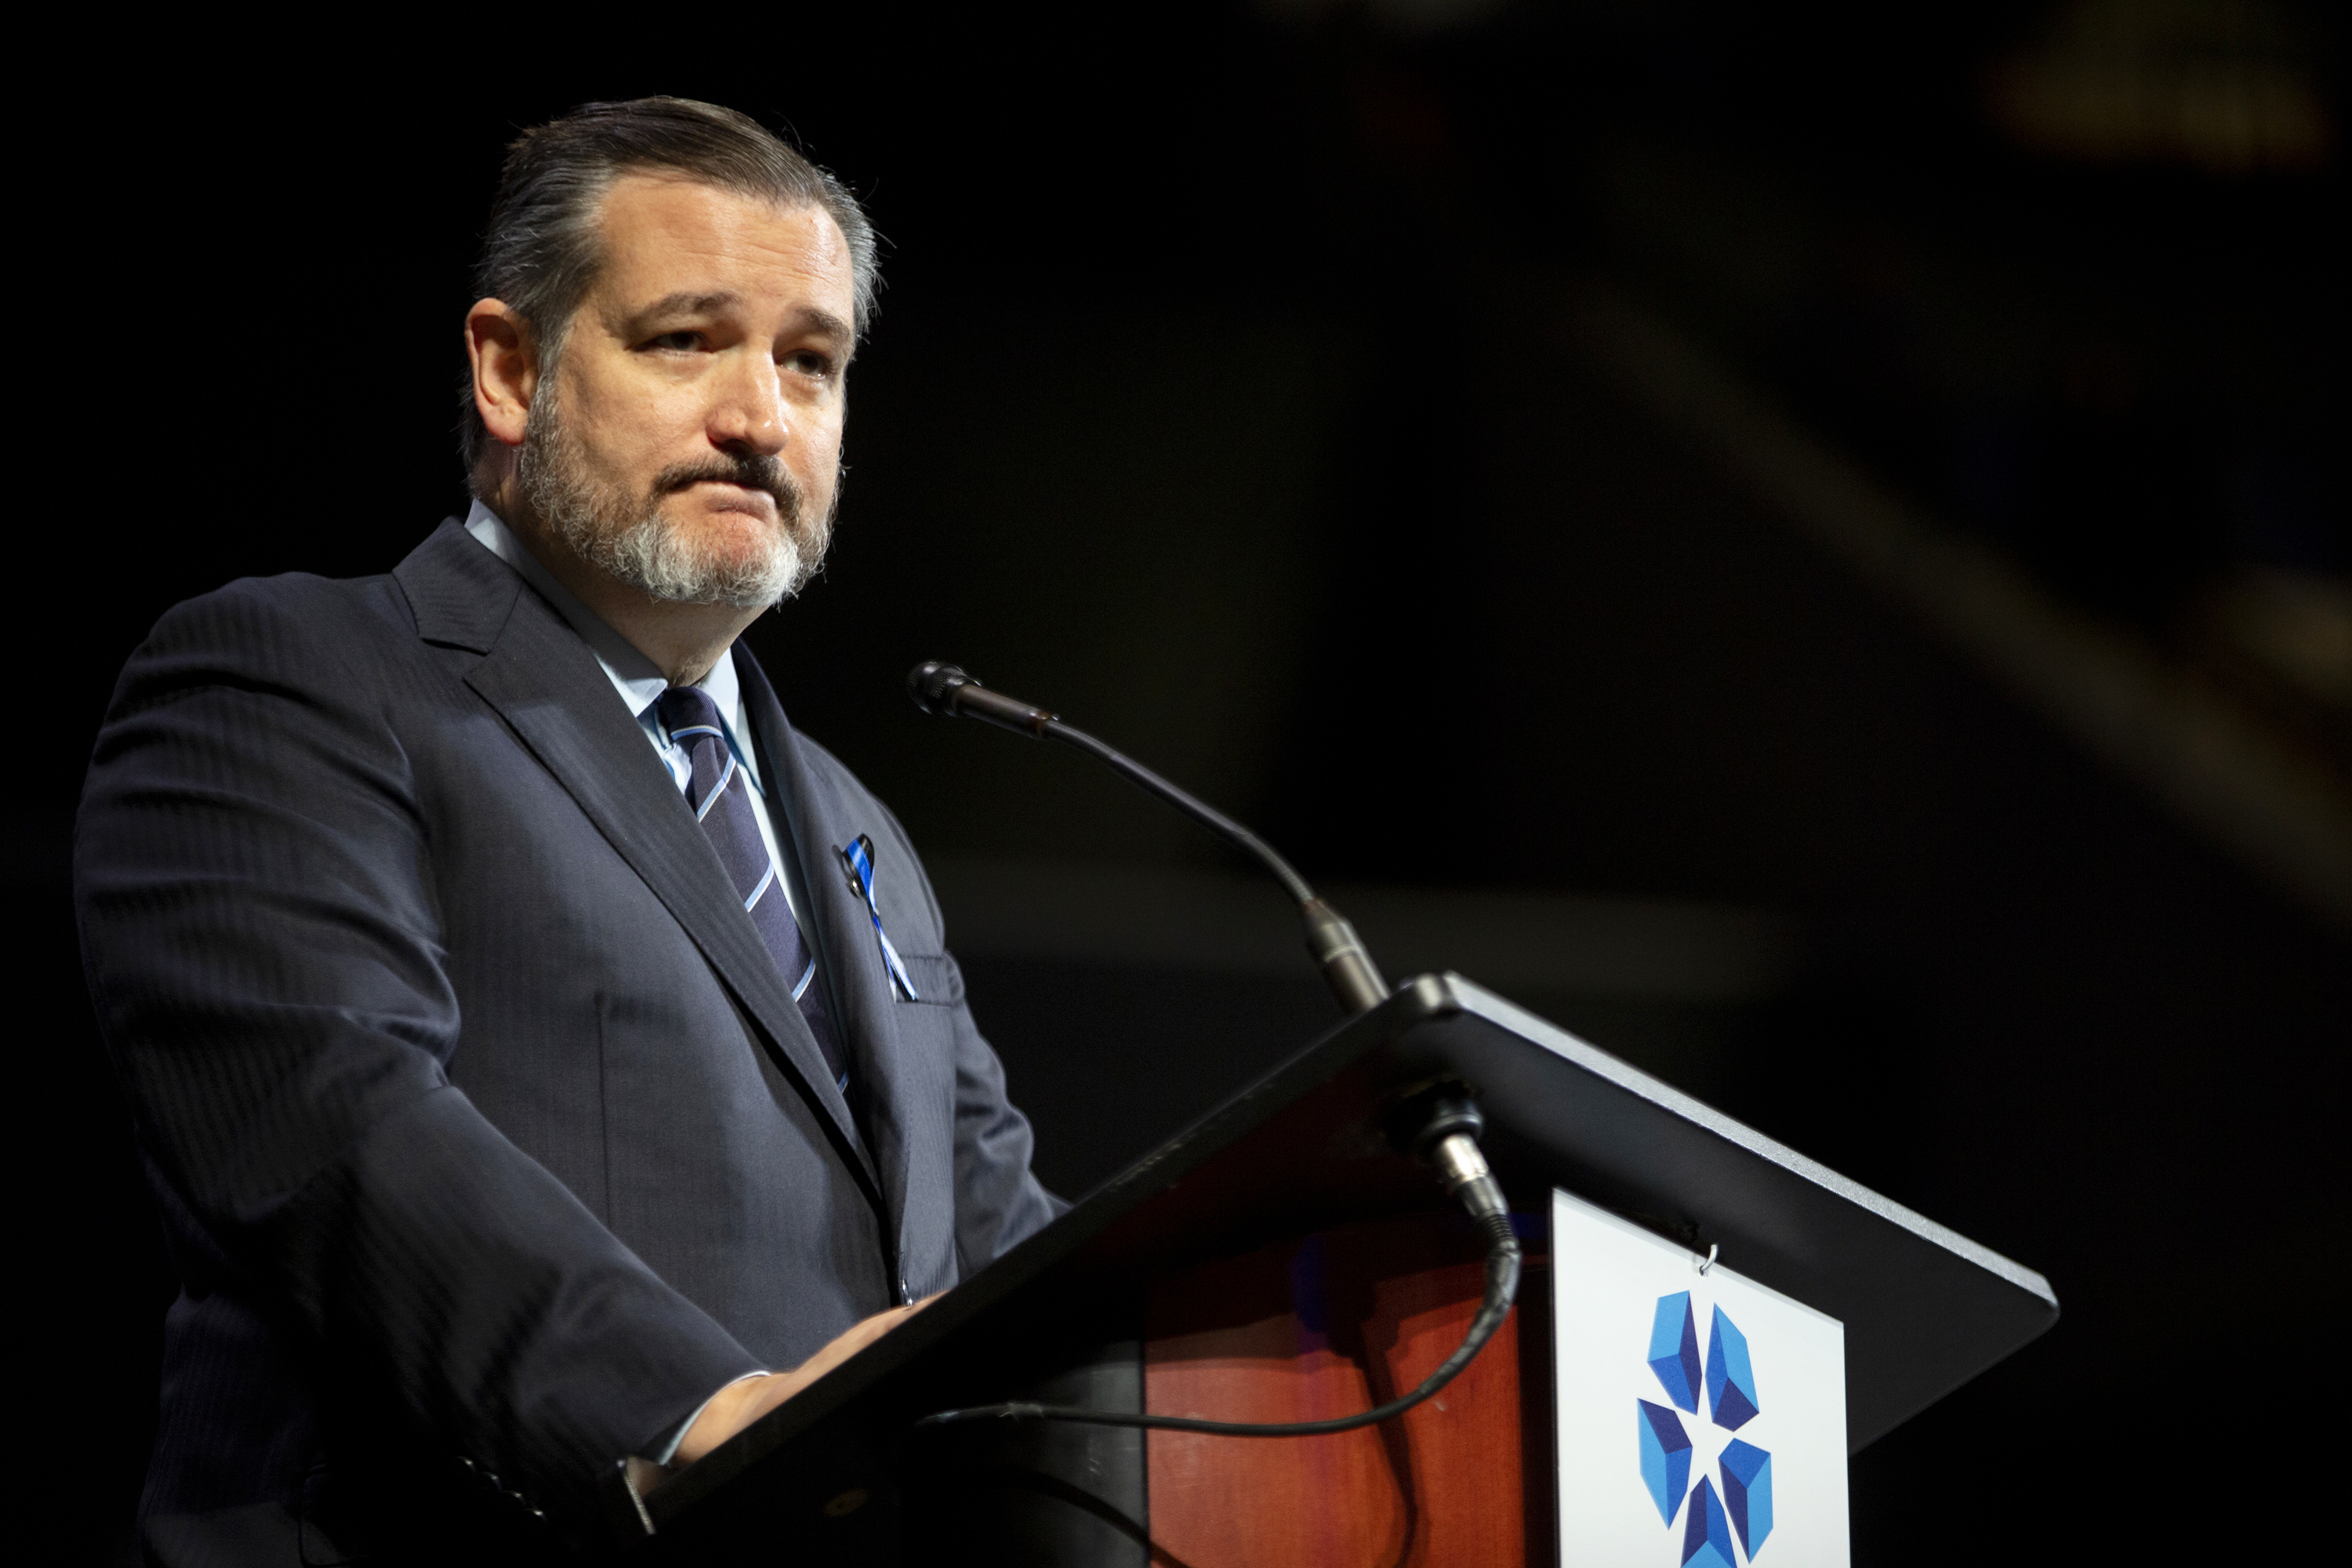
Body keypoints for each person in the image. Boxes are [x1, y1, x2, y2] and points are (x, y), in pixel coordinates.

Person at [74, 97, 1062, 1565]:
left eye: (810, 361)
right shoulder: (295, 682)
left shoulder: (859, 832)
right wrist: (700, 1414)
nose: (761, 417)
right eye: (685, 340)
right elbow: (332, 1122)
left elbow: (1005, 1244)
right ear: (511, 369)